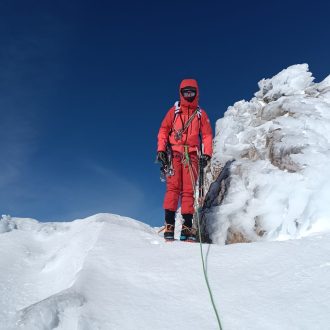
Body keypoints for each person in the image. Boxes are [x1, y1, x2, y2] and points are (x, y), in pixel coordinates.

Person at [157, 79, 213, 241]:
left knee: (188, 191)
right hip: (173, 155)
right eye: (185, 92)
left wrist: (207, 153)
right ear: (181, 93)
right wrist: (161, 149)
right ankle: (170, 226)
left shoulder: (201, 114)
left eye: (192, 92)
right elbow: (163, 130)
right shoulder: (174, 112)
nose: (189, 95)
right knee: (173, 189)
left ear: (196, 93)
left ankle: (186, 228)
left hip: (192, 156)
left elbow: (207, 135)